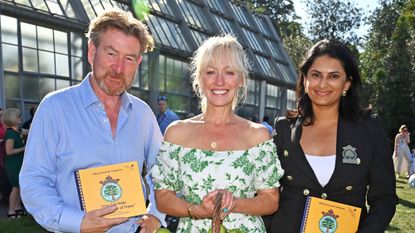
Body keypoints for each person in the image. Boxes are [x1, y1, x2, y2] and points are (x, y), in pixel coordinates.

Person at [19, 9, 165, 233]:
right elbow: (34, 181)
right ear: (91, 52)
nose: (118, 68)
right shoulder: (55, 109)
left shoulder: (143, 114)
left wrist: (155, 214)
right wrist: (78, 222)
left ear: (138, 62)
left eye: (129, 59)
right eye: (111, 54)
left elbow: (163, 171)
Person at [150, 34, 284, 232]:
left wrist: (234, 203)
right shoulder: (176, 133)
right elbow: (163, 199)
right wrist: (198, 210)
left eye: (229, 72)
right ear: (199, 78)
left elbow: (271, 201)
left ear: (241, 80)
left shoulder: (258, 135)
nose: (219, 81)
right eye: (211, 72)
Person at [264, 40, 397, 233]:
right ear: (305, 79)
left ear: (347, 84)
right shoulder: (284, 128)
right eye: (316, 75)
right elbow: (265, 192)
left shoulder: (369, 129)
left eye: (333, 76)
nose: (323, 84)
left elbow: (384, 199)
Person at [2, 108, 26, 219]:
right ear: (12, 118)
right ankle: (11, 211)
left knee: (19, 187)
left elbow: (27, 132)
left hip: (18, 163)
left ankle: (18, 208)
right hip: (13, 164)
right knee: (15, 187)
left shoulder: (17, 131)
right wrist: (25, 148)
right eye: (18, 116)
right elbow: (9, 151)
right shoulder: (11, 134)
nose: (20, 117)